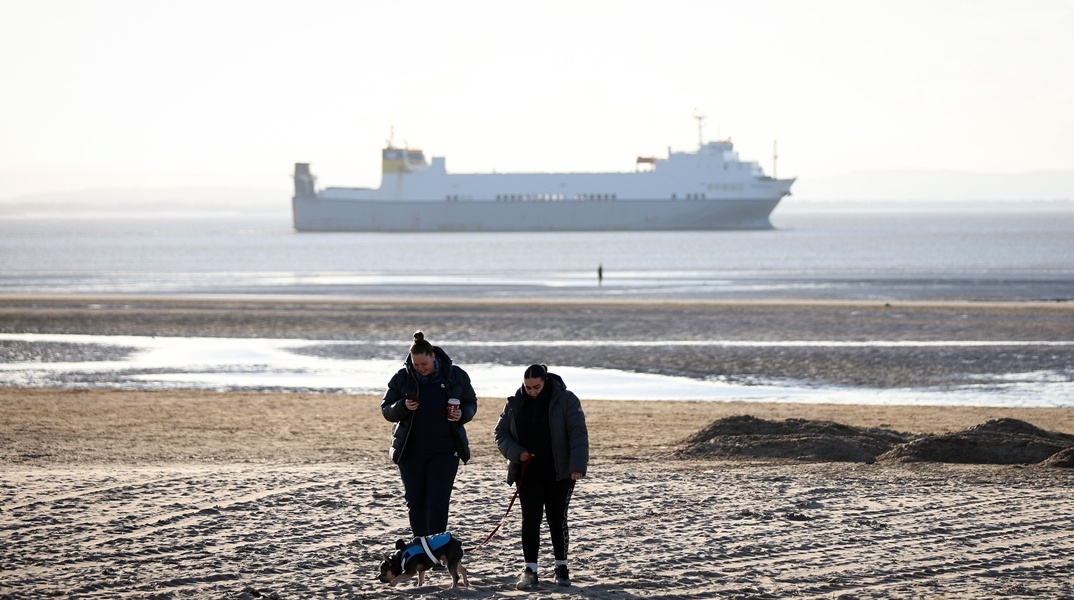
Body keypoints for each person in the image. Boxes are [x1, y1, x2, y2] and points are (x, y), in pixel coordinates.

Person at [494, 363, 589, 589]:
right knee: (531, 520)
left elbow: (578, 433)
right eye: (528, 387)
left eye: (536, 387)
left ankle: (561, 566)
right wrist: (517, 452)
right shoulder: (514, 402)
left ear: (545, 381)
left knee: (557, 518)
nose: (532, 391)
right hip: (527, 473)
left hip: (561, 472)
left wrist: (578, 466)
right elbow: (501, 433)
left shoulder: (566, 399)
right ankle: (530, 570)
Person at [381, 331, 477, 537]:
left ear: (433, 356)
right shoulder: (402, 377)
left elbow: (471, 403)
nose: (421, 369)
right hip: (410, 451)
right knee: (415, 501)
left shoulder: (456, 375)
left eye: (424, 364)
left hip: (445, 450)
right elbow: (386, 410)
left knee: (438, 500)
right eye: (416, 365)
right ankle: (421, 548)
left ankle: (435, 549)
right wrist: (402, 406)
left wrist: (462, 414)